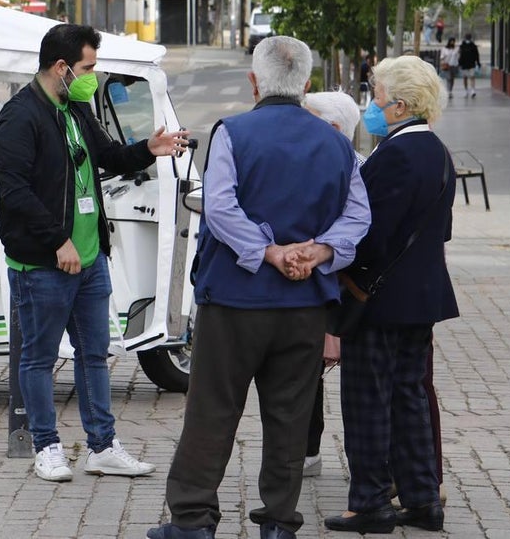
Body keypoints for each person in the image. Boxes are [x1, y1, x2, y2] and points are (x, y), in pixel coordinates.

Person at [148, 36, 371, 539]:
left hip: (235, 300)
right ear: (306, 85)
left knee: (212, 412)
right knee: (290, 418)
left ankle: (192, 521)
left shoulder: (234, 132)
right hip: (305, 303)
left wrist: (268, 252)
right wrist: (318, 252)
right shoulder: (336, 142)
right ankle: (278, 524)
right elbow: (359, 214)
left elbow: (221, 205)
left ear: (254, 82)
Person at [0, 23, 189, 483]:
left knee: (94, 354)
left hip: (90, 258)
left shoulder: (75, 107)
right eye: (87, 68)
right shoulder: (19, 117)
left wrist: (148, 150)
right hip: (44, 262)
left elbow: (108, 156)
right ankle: (47, 447)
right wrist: (57, 241)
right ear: (61, 67)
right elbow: (14, 191)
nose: (91, 77)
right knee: (39, 359)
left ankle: (102, 446)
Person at [324, 56, 458, 535]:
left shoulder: (398, 153)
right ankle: (422, 499)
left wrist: (338, 266)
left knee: (368, 401)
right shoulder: (436, 151)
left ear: (400, 105)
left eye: (377, 94)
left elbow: (372, 234)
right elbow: (439, 230)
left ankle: (370, 503)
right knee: (409, 399)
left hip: (379, 300)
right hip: (420, 295)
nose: (372, 102)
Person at [299, 91, 366, 479]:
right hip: (314, 287)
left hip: (338, 291)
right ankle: (307, 451)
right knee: (305, 375)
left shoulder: (355, 171)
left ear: (333, 128)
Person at [458, 33, 481, 98]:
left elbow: (476, 55)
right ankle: (467, 90)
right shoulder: (462, 46)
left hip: (471, 64)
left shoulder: (473, 46)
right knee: (466, 77)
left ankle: (472, 90)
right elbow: (460, 55)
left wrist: (478, 62)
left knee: (472, 76)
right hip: (465, 64)